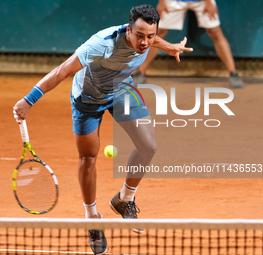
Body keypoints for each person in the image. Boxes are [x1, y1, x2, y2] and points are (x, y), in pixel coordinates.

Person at [13, 5, 192, 255]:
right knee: (88, 158)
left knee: (149, 146)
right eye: (139, 35)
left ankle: (124, 200)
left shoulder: (148, 37)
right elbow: (63, 70)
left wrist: (168, 45)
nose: (144, 42)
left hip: (120, 89)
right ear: (128, 30)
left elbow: (152, 39)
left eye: (150, 36)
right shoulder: (101, 44)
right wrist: (29, 99)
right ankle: (92, 218)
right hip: (87, 98)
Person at [133, 0, 244, 88]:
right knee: (158, 33)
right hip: (174, 1)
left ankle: (233, 73)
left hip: (202, 1)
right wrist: (162, 1)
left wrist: (209, 2)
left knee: (215, 32)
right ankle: (140, 73)